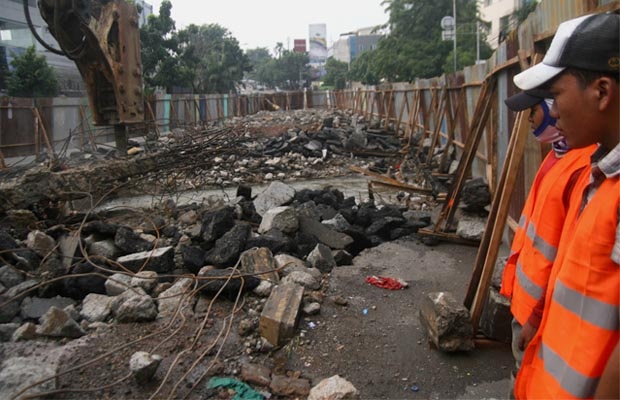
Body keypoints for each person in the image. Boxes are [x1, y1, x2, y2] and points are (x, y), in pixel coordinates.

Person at [511, 12, 619, 399]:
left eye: (556, 95)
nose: (552, 111)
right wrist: (538, 317)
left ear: (602, 92)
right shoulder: (602, 174)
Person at [500, 90, 596, 396]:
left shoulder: (582, 168)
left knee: (534, 383)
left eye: (534, 111)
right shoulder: (557, 156)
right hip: (528, 304)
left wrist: (538, 314)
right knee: (524, 378)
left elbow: (569, 253)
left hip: (544, 313)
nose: (530, 119)